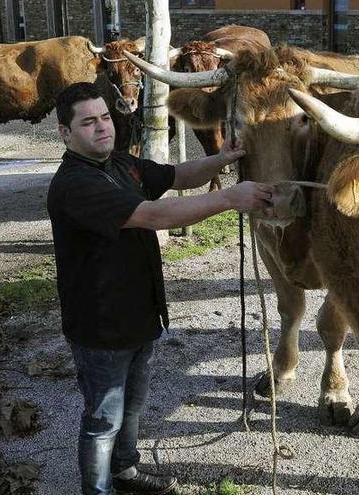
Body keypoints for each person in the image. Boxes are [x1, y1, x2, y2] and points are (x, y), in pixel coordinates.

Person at [47, 82, 273, 495]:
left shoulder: (119, 164)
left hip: (139, 314)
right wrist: (228, 199)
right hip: (101, 325)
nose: (102, 128)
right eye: (88, 122)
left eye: (104, 118)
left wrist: (221, 159)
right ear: (66, 133)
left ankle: (125, 472)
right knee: (103, 419)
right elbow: (152, 215)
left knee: (130, 408)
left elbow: (176, 176)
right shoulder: (75, 185)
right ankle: (98, 490)